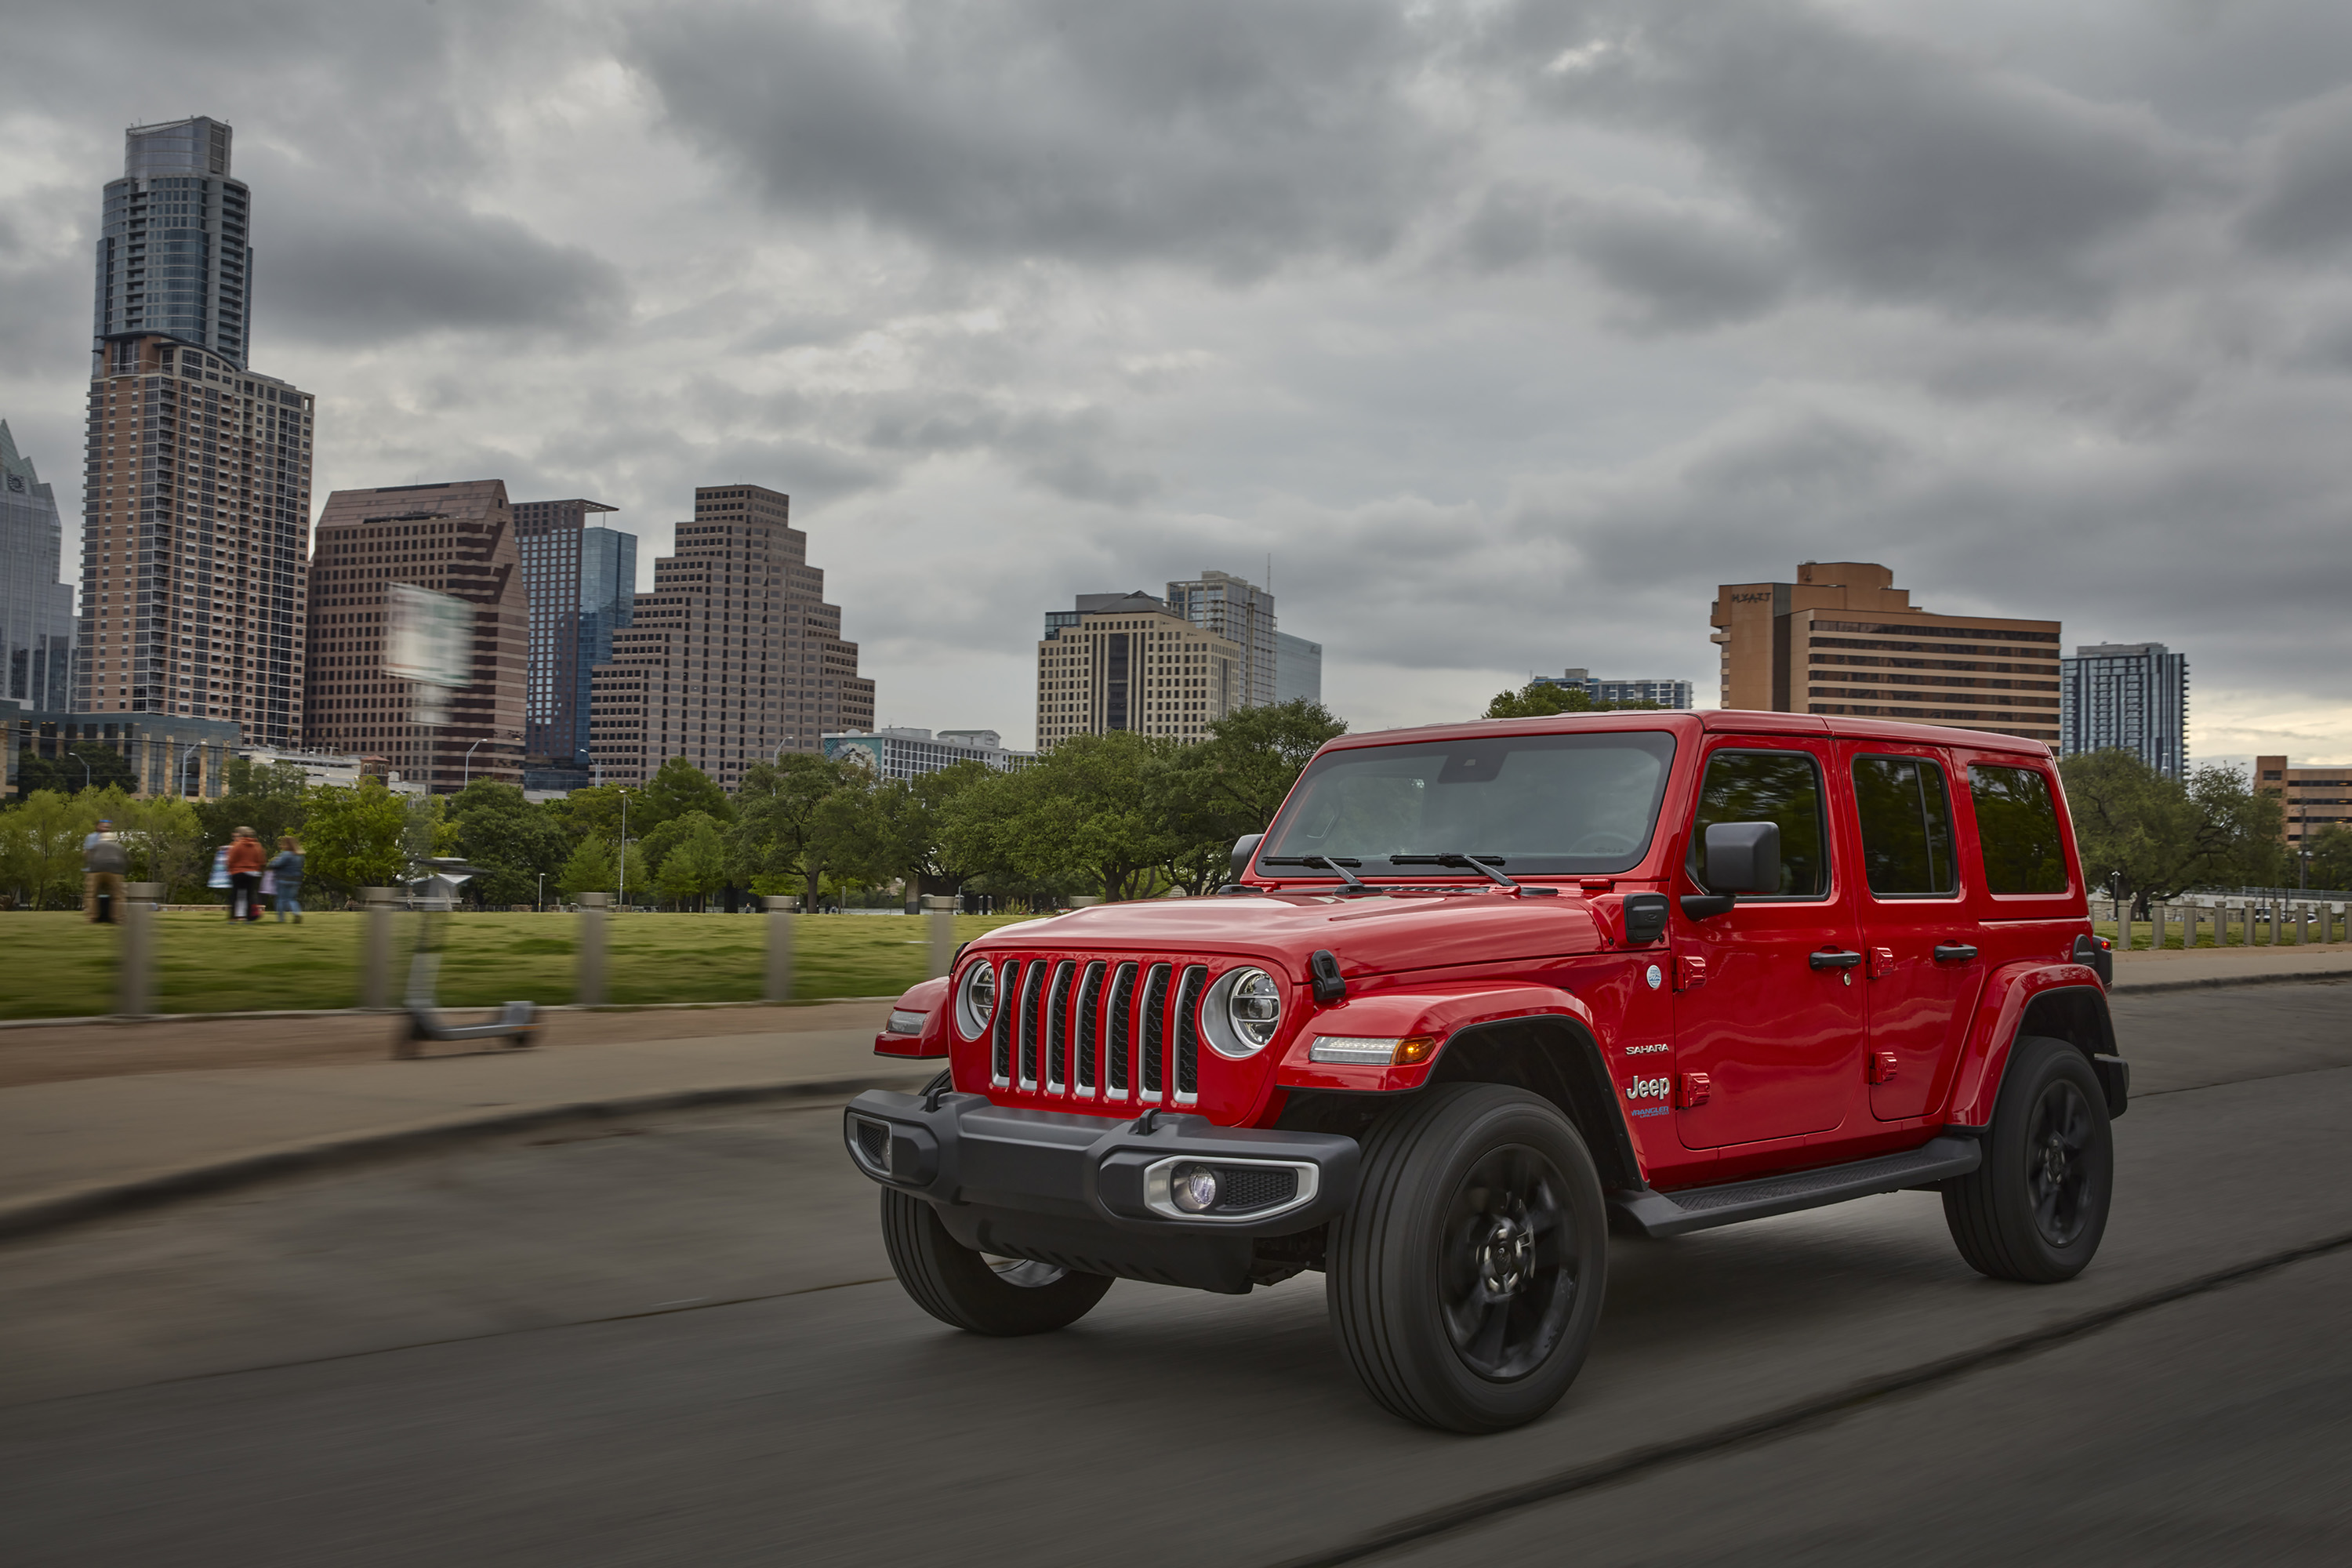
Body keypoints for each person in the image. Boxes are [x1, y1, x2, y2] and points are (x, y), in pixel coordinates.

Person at [83, 819, 128, 924]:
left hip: (96, 870)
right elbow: (125, 859)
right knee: (118, 896)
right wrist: (122, 872)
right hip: (115, 870)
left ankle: (92, 917)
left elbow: (88, 856)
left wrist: (90, 870)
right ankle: (118, 918)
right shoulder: (119, 846)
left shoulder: (96, 845)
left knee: (91, 895)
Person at [224, 826, 267, 922]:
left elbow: (231, 859)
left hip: (238, 872)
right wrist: (259, 869)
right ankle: (249, 917)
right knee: (249, 895)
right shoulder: (257, 846)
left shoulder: (237, 845)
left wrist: (230, 869)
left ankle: (233, 917)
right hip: (252, 873)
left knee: (235, 895)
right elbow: (262, 860)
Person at [269, 835, 306, 924]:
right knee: (291, 899)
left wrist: (273, 861)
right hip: (295, 880)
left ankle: (281, 919)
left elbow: (276, 865)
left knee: (281, 899)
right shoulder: (300, 856)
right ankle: (297, 913)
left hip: (283, 879)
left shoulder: (285, 854)